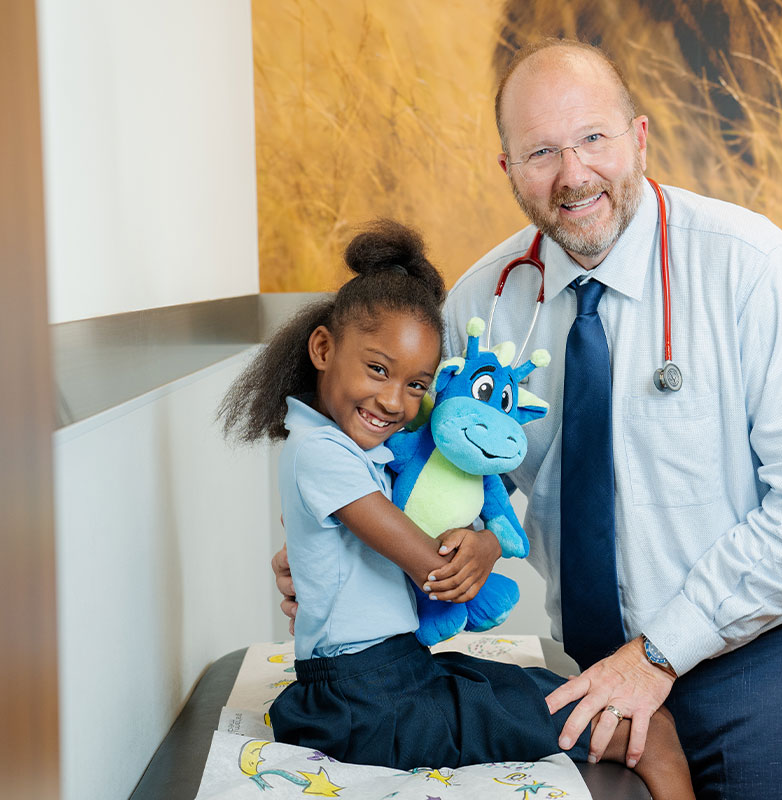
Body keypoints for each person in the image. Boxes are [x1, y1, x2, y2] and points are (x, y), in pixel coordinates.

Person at [275, 39, 782, 798]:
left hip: (761, 672)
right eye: (541, 151)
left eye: (594, 138)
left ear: (640, 137)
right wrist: (333, 551)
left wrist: (657, 655)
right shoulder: (482, 303)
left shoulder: (750, 268)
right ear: (509, 171)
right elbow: (427, 459)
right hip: (595, 671)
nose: (573, 173)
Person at [228, 219, 694, 799]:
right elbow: (435, 568)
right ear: (322, 348)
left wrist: (485, 537)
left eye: (417, 385)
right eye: (378, 369)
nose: (394, 402)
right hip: (369, 699)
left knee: (551, 689)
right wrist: (478, 548)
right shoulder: (321, 452)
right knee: (647, 730)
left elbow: (407, 517)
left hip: (393, 673)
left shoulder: (344, 446)